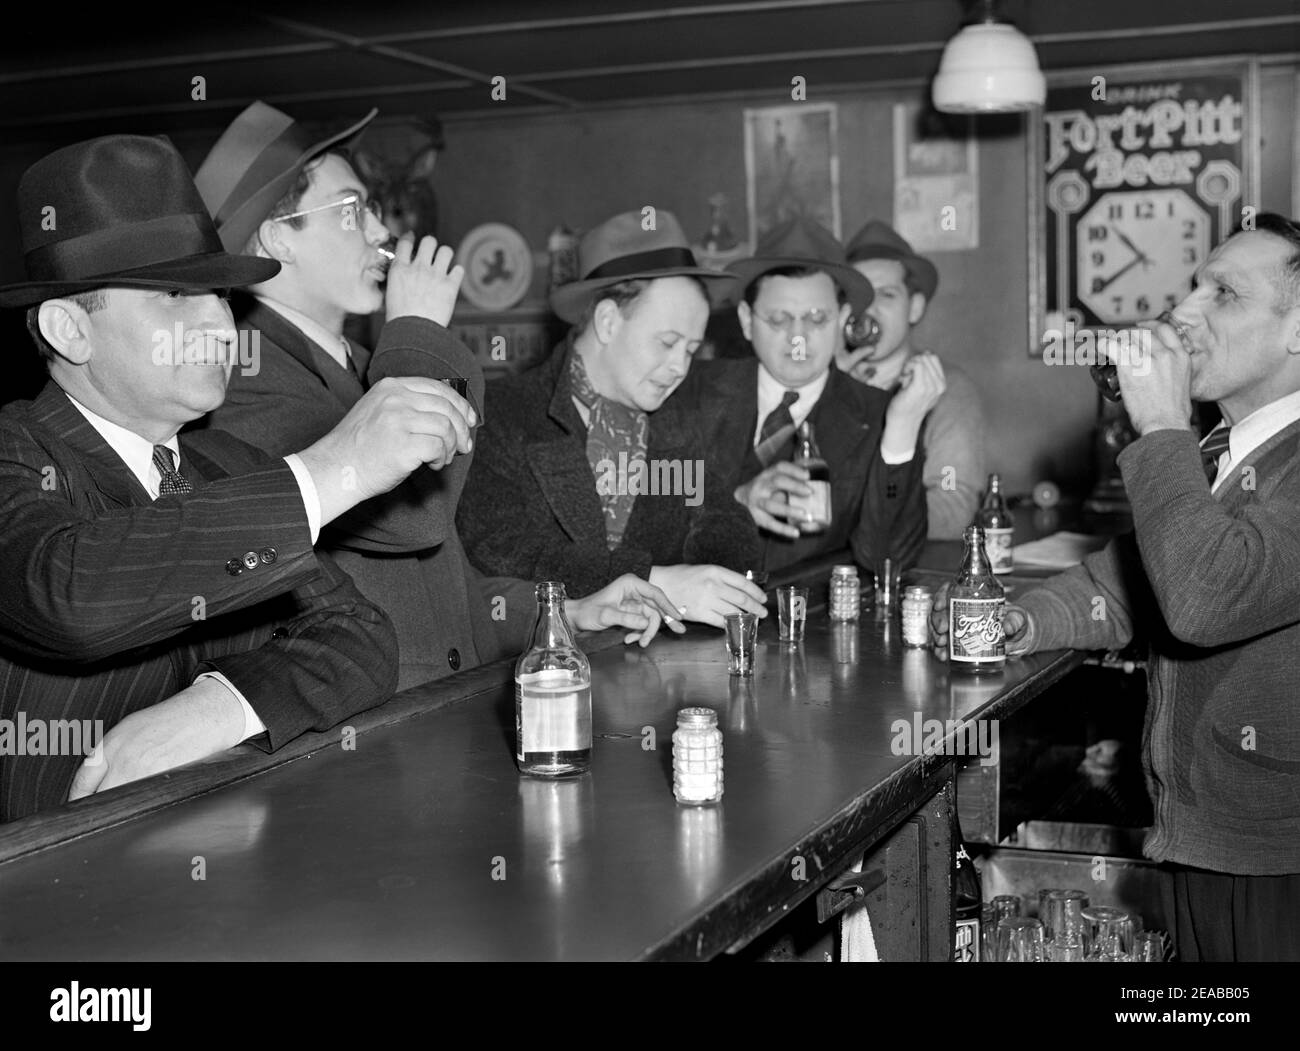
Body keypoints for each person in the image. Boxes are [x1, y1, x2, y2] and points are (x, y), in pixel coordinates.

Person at [0, 134, 461, 820]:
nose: (219, 322)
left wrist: (221, 706)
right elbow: (70, 592)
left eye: (218, 292)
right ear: (71, 330)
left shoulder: (228, 465)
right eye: (177, 297)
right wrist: (336, 467)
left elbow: (361, 638)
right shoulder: (18, 453)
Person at [195, 104, 680, 689]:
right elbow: (412, 523)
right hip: (362, 732)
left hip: (431, 711)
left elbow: (437, 575)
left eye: (371, 209)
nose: (381, 233)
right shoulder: (243, 379)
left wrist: (563, 612)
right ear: (279, 239)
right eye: (352, 211)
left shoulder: (366, 364)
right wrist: (418, 330)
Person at [931, 214, 1300, 962]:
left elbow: (1201, 597)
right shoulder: (1227, 449)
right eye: (1194, 286)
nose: (1184, 312)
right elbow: (1134, 577)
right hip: (1208, 834)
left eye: (1222, 294)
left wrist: (1160, 422)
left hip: (1276, 853)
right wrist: (1026, 621)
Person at [458, 210, 767, 627]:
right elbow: (507, 554)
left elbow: (717, 518)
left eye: (691, 350)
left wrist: (725, 576)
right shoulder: (504, 414)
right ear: (607, 321)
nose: (680, 367)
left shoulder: (671, 423)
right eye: (668, 342)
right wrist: (656, 582)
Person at [678, 217, 935, 575]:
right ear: (747, 320)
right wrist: (733, 504)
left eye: (816, 319)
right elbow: (647, 503)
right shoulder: (688, 392)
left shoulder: (879, 416)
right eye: (780, 319)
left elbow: (887, 562)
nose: (798, 338)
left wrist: (902, 431)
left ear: (843, 317)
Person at [838, 220, 987, 539]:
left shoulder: (949, 390)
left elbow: (953, 508)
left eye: (886, 295)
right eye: (858, 295)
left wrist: (853, 519)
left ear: (915, 307)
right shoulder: (818, 382)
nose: (870, 310)